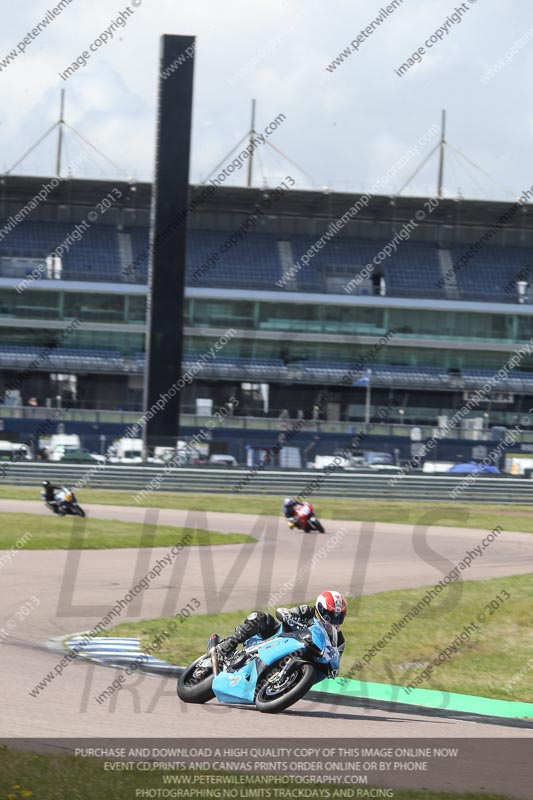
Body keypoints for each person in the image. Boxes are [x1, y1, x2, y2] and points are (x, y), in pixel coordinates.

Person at [216, 590, 347, 666]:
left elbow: (335, 662)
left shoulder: (339, 640)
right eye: (330, 616)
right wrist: (290, 617)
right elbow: (283, 612)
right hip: (277, 638)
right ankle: (227, 645)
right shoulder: (308, 611)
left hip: (300, 657)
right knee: (261, 617)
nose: (334, 621)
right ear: (320, 609)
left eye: (338, 617)